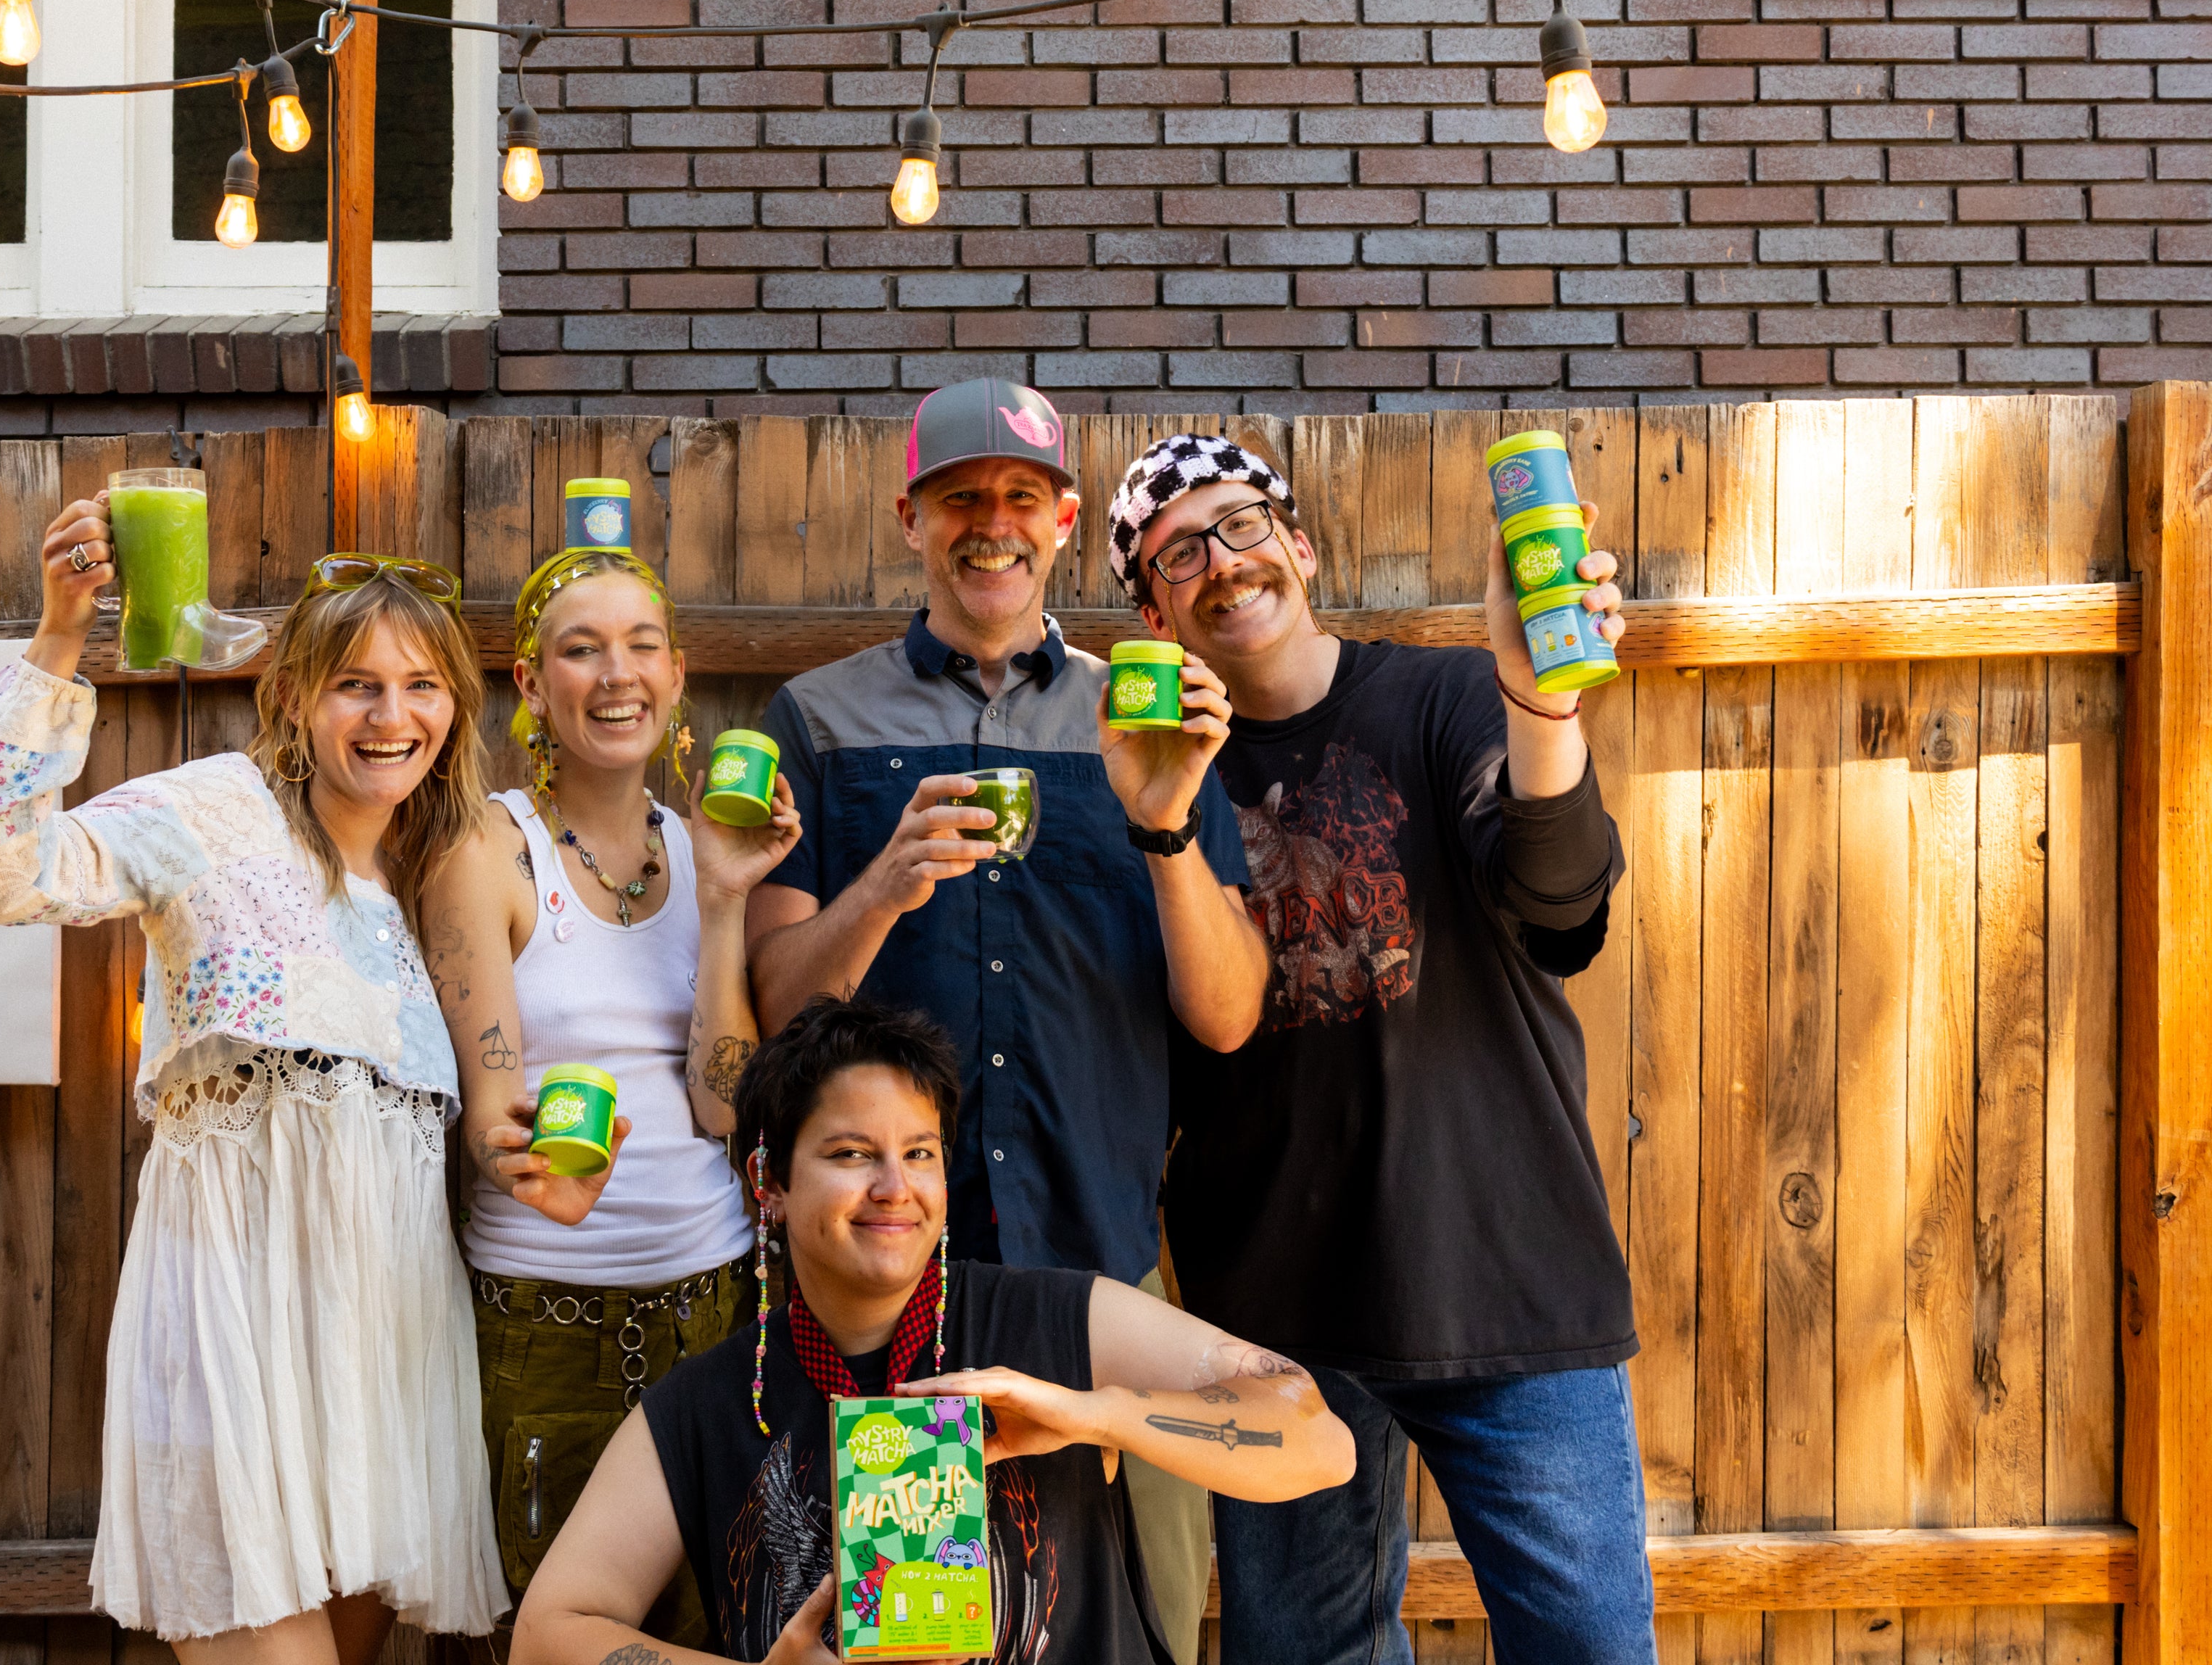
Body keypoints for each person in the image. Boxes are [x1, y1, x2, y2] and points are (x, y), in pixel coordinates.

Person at [0, 505, 509, 1664]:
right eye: (355, 684)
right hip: (234, 1351)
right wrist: (59, 638)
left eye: (422, 685)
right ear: (291, 697)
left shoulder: (426, 881)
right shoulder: (212, 812)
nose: (393, 717)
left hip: (380, 1373)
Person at [741, 378, 1268, 1658]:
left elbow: (1229, 1016)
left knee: (1140, 1629)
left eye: (1021, 498)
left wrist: (1167, 816)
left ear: (1065, 521)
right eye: (960, 498)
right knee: (914, 1635)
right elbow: (773, 1011)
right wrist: (885, 883)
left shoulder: (1142, 716)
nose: (992, 524)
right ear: (909, 519)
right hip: (900, 1294)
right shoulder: (817, 722)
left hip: (1103, 1284)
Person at [1105, 431, 1648, 1665]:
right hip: (1278, 1310)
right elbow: (1201, 1021)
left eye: (1243, 525)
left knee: (1593, 1653)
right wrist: (1165, 825)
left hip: (1507, 1278)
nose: (1222, 562)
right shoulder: (1146, 772)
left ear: (1300, 545)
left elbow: (1562, 913)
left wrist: (1540, 698)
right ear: (1152, 612)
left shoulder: (1449, 697)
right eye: (1177, 554)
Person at [507, 996, 1357, 1665]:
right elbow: (548, 1633)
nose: (894, 1186)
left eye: (919, 1153)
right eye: (849, 1154)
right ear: (768, 1180)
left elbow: (1320, 1438)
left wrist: (1093, 1414)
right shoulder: (711, 1401)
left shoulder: (1055, 1321)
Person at [418, 544, 804, 1638]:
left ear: (679, 676)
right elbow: (490, 1106)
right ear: (534, 687)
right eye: (580, 651)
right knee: (554, 1629)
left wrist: (728, 900)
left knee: (723, 1625)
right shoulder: (487, 847)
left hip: (720, 1310)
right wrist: (521, 1160)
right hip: (548, 1320)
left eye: (641, 646)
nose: (616, 673)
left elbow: (725, 1107)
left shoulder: (698, 846)